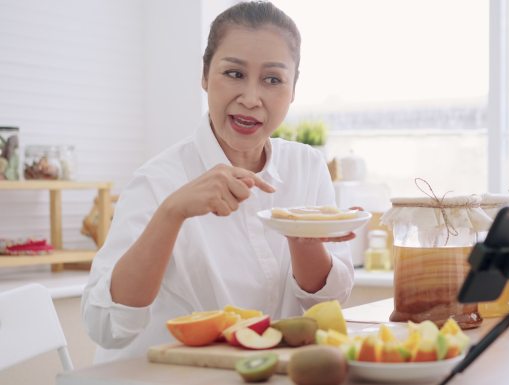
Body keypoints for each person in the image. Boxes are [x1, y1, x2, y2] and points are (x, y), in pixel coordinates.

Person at [82, 1, 354, 363]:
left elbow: (325, 305)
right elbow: (107, 328)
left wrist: (303, 240)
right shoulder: (156, 181)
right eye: (234, 74)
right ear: (205, 74)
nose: (251, 99)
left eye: (272, 79)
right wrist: (172, 213)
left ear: (293, 88)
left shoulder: (307, 166)